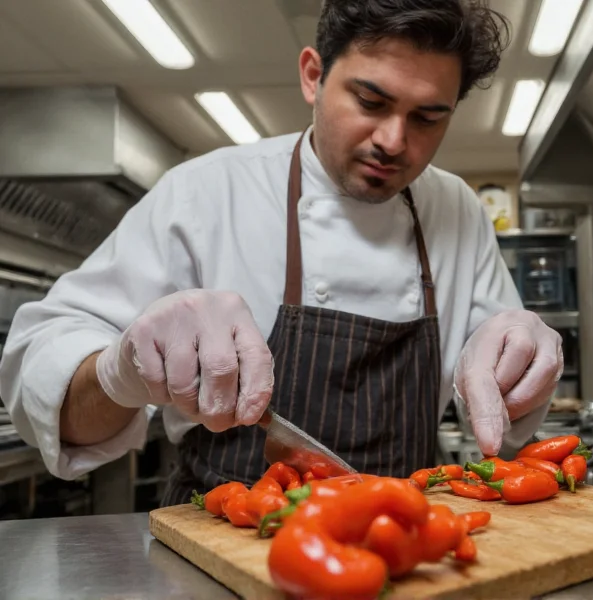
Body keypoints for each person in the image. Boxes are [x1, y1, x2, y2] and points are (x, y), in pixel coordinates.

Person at [0, 0, 562, 505]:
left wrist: (522, 362)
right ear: (313, 76)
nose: (393, 140)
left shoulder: (458, 208)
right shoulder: (205, 191)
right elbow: (40, 378)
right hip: (227, 532)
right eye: (370, 100)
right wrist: (118, 372)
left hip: (404, 537)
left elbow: (506, 409)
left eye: (428, 117)